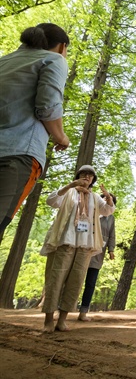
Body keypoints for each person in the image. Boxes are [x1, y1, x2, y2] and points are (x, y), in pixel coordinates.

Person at [0, 23, 70, 236]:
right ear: (61, 47)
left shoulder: (4, 61)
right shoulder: (54, 59)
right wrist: (61, 137)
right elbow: (47, 106)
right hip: (17, 154)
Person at [40, 165, 115, 332]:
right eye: (84, 174)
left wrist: (108, 197)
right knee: (56, 278)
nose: (87, 177)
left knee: (76, 280)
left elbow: (108, 210)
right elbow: (52, 201)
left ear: (93, 180)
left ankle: (63, 319)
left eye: (90, 175)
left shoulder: (95, 197)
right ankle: (48, 320)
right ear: (78, 176)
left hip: (85, 244)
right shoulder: (69, 192)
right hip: (65, 240)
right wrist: (70, 185)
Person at [78, 193, 117, 321]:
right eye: (104, 198)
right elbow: (81, 226)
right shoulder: (90, 211)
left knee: (91, 282)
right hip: (83, 248)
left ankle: (83, 312)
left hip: (98, 253)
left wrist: (111, 250)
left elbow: (112, 235)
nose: (105, 201)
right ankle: (63, 308)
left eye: (109, 200)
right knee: (75, 279)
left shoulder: (111, 218)